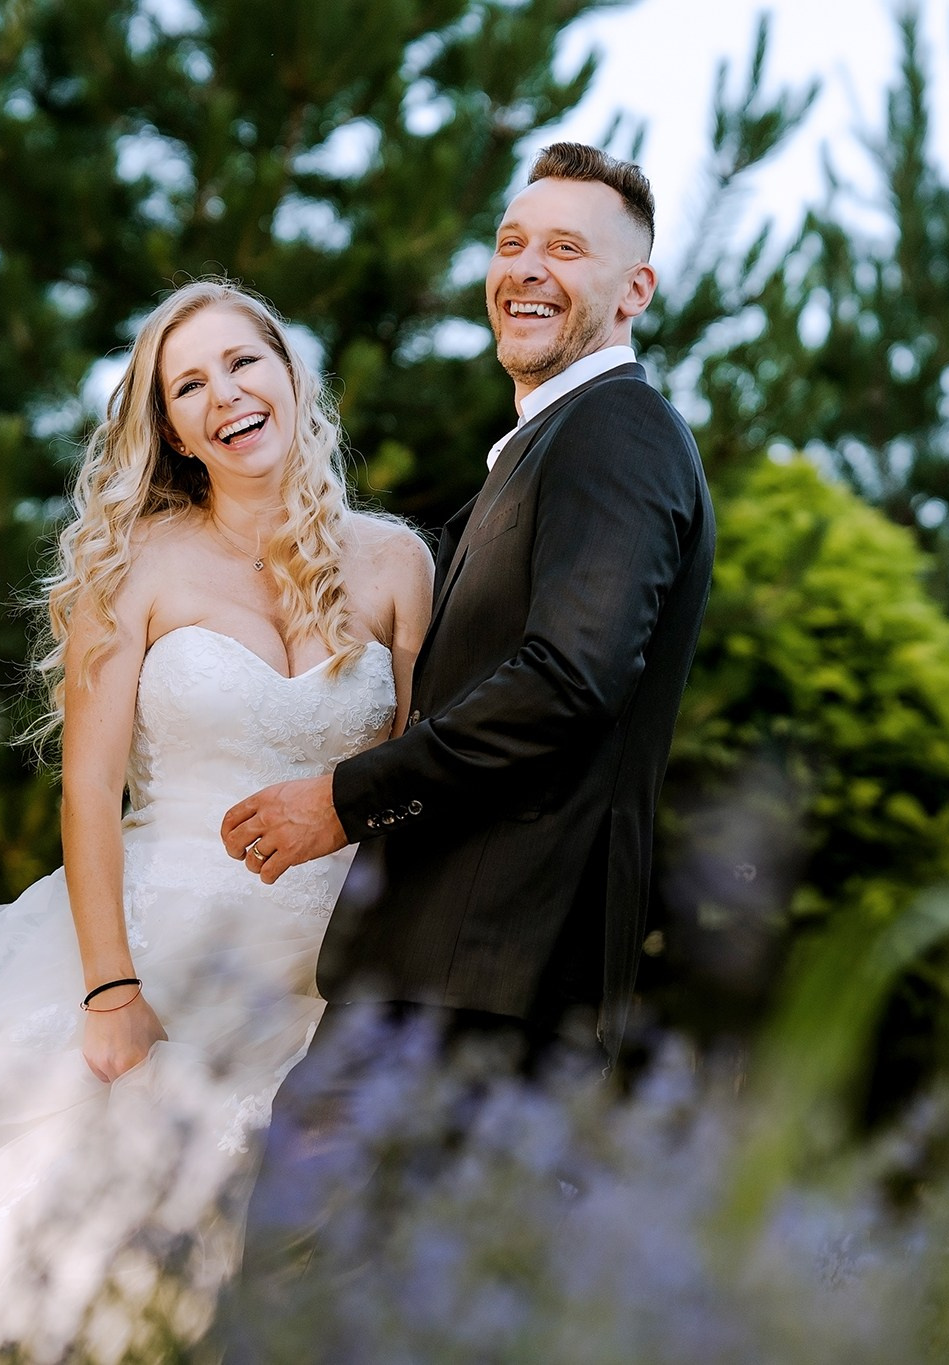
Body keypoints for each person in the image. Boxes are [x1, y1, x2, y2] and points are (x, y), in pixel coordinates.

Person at [0, 279, 431, 1364]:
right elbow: (86, 795)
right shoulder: (138, 565)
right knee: (53, 1279)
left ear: (291, 375)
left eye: (241, 364)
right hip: (156, 968)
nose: (225, 396)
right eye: (188, 387)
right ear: (171, 430)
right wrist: (111, 990)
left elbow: (408, 782)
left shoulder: (398, 565)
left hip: (320, 986)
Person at [223, 142, 716, 1295]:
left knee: (295, 1302)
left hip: (483, 981)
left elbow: (567, 678)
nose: (525, 268)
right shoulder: (533, 457)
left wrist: (338, 803)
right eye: (509, 243)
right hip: (450, 980)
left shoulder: (616, 434)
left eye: (565, 247)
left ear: (633, 290)